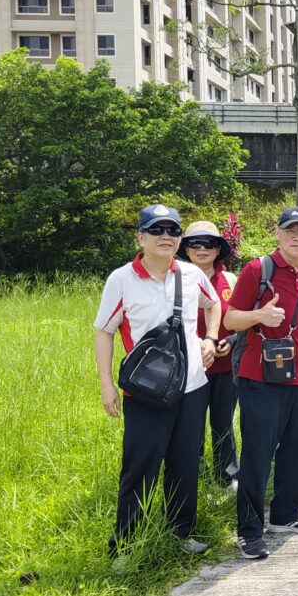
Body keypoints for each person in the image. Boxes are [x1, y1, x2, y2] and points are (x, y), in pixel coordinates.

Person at [94, 204, 220, 557]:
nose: (166, 237)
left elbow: (213, 304)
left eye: (173, 231)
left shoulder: (192, 275)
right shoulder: (122, 279)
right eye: (157, 230)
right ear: (141, 237)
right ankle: (125, 546)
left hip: (193, 387)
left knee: (185, 464)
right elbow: (104, 332)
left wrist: (210, 338)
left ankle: (180, 533)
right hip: (146, 392)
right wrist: (106, 384)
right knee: (140, 467)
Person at [224, 207, 298, 560]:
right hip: (261, 377)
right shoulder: (258, 270)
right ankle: (250, 531)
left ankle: (287, 514)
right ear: (278, 232)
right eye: (291, 230)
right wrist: (259, 315)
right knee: (258, 456)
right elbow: (230, 318)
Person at [179, 220, 239, 488]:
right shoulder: (175, 278)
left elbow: (242, 319)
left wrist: (233, 340)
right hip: (188, 365)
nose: (202, 249)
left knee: (223, 422)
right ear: (186, 249)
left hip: (225, 365)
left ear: (218, 249)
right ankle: (193, 476)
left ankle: (226, 477)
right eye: (195, 243)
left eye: (209, 243)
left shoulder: (230, 280)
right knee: (190, 425)